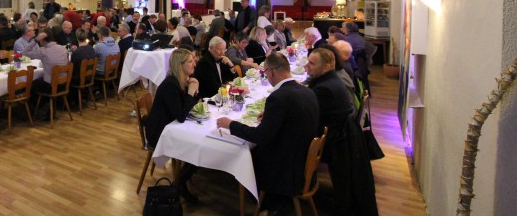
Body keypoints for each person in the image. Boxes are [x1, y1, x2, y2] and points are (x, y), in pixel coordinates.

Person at [217, 53, 320, 213]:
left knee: (246, 154)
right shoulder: (307, 90)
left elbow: (261, 137)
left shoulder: (279, 97)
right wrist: (272, 115)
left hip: (287, 169)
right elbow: (293, 115)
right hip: (304, 158)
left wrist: (231, 125)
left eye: (265, 72)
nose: (266, 75)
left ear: (271, 71)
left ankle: (268, 203)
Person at [304, 48, 377, 215]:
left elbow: (309, 116)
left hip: (336, 141)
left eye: (311, 63)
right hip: (346, 136)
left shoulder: (324, 89)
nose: (306, 66)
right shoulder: (332, 80)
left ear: (327, 66)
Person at [145, 49, 200, 202]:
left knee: (198, 146)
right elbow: (181, 116)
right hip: (159, 133)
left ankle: (180, 182)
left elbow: (187, 108)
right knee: (197, 149)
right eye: (190, 61)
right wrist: (190, 93)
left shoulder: (180, 81)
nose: (194, 64)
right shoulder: (171, 84)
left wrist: (193, 91)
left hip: (170, 127)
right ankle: (179, 184)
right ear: (179, 65)